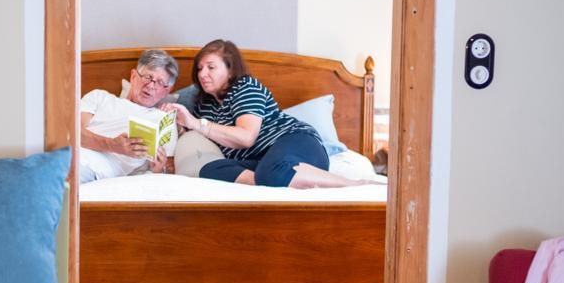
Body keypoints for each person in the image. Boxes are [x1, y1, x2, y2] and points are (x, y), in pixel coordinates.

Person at [163, 39, 366, 189]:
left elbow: (246, 137)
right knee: (209, 169)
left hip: (297, 143)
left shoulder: (245, 87)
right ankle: (274, 178)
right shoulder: (204, 105)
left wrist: (198, 124)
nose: (202, 74)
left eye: (211, 67)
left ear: (231, 70)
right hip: (262, 161)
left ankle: (355, 184)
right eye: (200, 69)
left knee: (272, 170)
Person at [77, 48, 179, 183]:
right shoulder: (99, 97)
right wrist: (112, 145)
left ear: (166, 91)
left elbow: (168, 173)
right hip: (70, 154)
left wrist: (158, 170)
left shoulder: (164, 121)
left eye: (160, 82)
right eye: (148, 77)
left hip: (92, 170)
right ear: (133, 76)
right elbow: (73, 134)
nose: (151, 86)